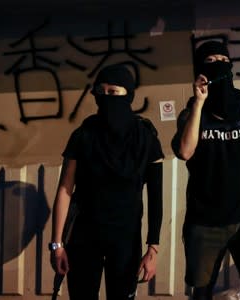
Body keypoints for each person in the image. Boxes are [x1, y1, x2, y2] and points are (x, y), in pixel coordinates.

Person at [172, 40, 240, 300]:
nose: (219, 64)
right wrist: (199, 103)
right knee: (202, 291)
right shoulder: (191, 114)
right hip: (205, 223)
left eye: (223, 59)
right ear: (200, 70)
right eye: (211, 61)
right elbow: (185, 151)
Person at [50, 64, 164, 300]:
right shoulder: (84, 134)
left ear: (128, 95)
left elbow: (156, 196)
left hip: (126, 238)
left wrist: (153, 247)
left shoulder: (146, 138)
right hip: (84, 237)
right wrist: (57, 244)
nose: (106, 97)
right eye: (100, 92)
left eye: (113, 92)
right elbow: (65, 189)